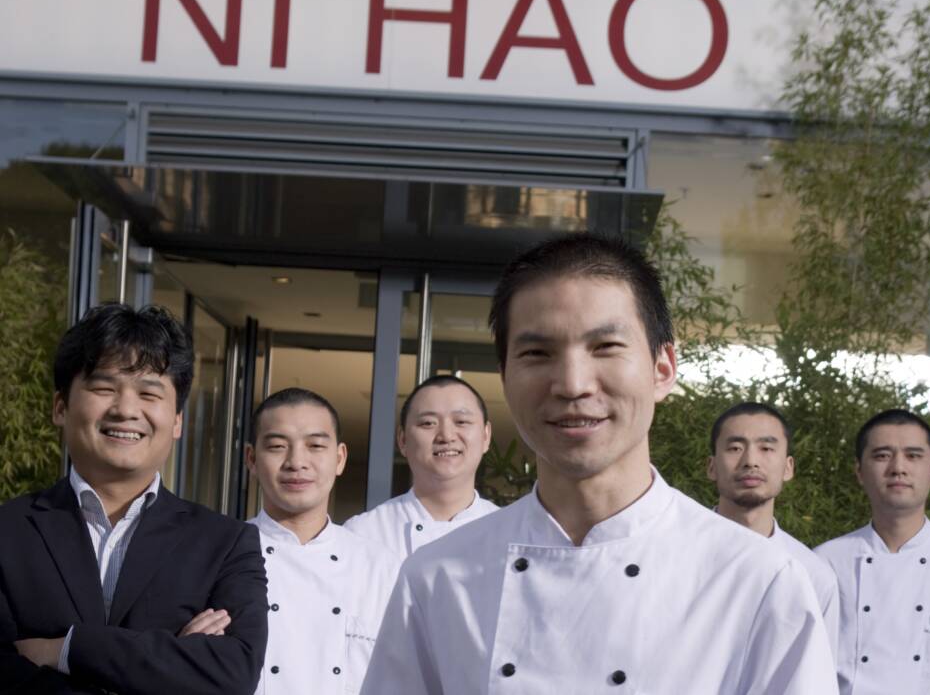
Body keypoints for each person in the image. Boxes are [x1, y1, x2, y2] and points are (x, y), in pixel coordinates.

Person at [361, 233, 837, 694]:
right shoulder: (438, 577)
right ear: (505, 377)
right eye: (536, 353)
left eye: (605, 347)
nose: (572, 384)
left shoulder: (757, 580)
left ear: (662, 369)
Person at [0, 303, 267, 695]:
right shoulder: (8, 531)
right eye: (104, 387)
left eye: (149, 392)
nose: (126, 409)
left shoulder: (226, 544)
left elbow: (233, 673)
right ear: (61, 406)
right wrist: (172, 661)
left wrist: (67, 649)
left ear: (177, 420)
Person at [816, 409, 930, 695]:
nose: (898, 467)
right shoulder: (825, 562)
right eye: (881, 455)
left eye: (913, 456)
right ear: (859, 472)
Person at [245, 387, 399, 695]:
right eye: (277, 446)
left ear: (339, 458)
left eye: (315, 445)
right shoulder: (221, 556)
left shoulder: (382, 568)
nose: (296, 462)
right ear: (251, 459)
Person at [707, 401, 839, 656]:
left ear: (788, 467)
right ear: (711, 466)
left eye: (766, 448)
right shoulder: (675, 553)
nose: (750, 461)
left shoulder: (813, 575)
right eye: (735, 448)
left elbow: (816, 678)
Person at [344, 374, 497, 560]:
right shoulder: (363, 533)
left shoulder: (510, 531)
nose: (446, 436)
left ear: (486, 436)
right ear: (402, 439)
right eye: (428, 423)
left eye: (461, 422)